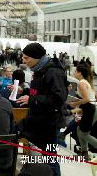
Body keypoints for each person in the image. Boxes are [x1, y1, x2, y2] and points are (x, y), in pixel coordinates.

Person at [16, 42, 68, 176]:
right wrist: (24, 91)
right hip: (39, 120)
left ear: (36, 57)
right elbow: (39, 91)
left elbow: (58, 99)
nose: (23, 60)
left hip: (50, 122)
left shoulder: (53, 71)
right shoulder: (40, 70)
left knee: (50, 157)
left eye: (26, 58)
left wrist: (31, 100)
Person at [70, 63, 97, 159]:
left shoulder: (81, 83)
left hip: (90, 109)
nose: (74, 72)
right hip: (89, 108)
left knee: (84, 133)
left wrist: (75, 104)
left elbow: (86, 99)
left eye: (75, 71)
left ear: (79, 72)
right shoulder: (85, 82)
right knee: (79, 130)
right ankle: (84, 152)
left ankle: (86, 152)